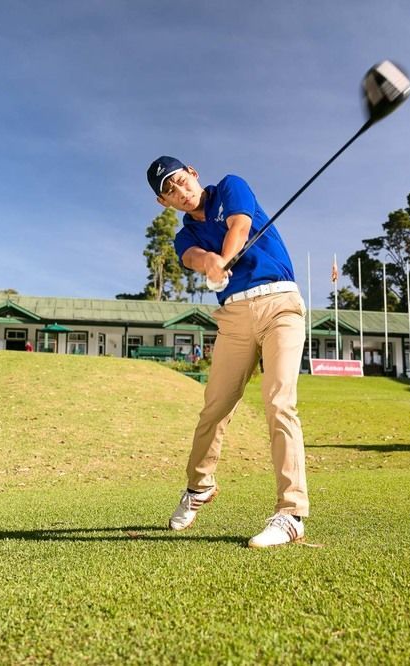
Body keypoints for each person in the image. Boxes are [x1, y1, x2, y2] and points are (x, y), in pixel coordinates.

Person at [146, 156, 308, 548]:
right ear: (163, 204)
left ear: (194, 174)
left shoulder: (231, 186)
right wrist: (210, 263)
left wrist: (226, 257)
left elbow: (240, 225)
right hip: (234, 317)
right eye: (169, 192)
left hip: (280, 305)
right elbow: (192, 258)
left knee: (279, 401)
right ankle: (199, 487)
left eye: (181, 182)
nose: (180, 193)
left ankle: (291, 513)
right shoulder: (185, 235)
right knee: (215, 408)